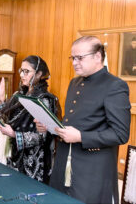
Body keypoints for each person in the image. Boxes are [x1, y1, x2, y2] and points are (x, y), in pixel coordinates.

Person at [36, 36, 131, 204]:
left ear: (97, 56)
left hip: (91, 169)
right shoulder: (74, 82)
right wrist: (50, 127)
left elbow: (120, 134)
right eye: (72, 57)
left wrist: (81, 137)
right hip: (64, 161)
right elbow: (73, 120)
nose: (74, 62)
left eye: (80, 58)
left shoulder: (115, 85)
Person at [0, 55, 61, 183]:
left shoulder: (45, 99)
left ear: (38, 74)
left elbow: (43, 136)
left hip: (34, 160)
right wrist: (2, 99)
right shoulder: (19, 95)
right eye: (21, 71)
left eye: (27, 71)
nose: (22, 75)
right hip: (15, 154)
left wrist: (15, 134)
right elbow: (6, 120)